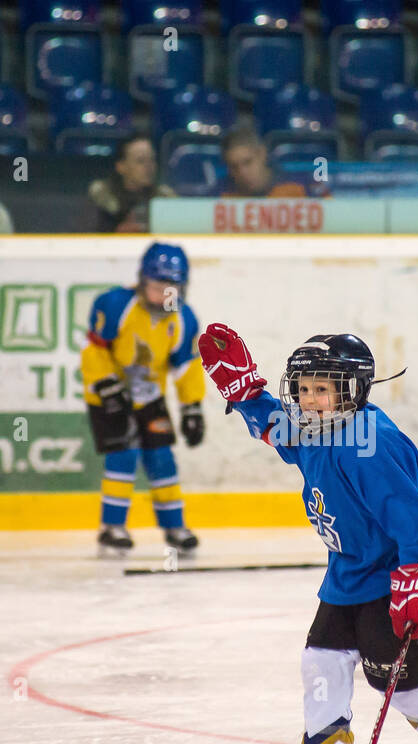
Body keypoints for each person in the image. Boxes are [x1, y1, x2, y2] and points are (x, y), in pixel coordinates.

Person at [197, 323, 418, 744]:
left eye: (324, 389)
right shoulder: (315, 428)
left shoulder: (367, 445)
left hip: (393, 580)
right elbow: (279, 429)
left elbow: (417, 520)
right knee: (321, 664)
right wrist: (246, 392)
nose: (311, 400)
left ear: (353, 392)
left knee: (402, 689)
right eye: (304, 389)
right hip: (348, 576)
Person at [81, 242, 204, 556]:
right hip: (109, 396)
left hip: (150, 397)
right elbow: (94, 349)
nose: (165, 295)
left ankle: (175, 527)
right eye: (157, 286)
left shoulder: (184, 319)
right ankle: (112, 527)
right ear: (141, 282)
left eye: (172, 287)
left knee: (162, 459)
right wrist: (106, 384)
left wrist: (192, 406)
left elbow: (186, 366)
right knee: (122, 456)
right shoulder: (114, 304)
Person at [87, 133, 175, 233]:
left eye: (152, 160)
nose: (149, 167)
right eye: (140, 161)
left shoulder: (164, 197)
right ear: (121, 166)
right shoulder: (103, 196)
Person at [218, 127, 307, 199]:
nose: (242, 172)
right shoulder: (221, 196)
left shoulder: (296, 188)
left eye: (247, 162)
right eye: (234, 167)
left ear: (262, 153)